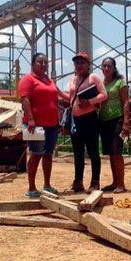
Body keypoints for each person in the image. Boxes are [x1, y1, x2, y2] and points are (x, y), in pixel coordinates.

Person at [18, 52, 68, 198]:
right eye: (40, 62)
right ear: (33, 64)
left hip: (52, 125)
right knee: (36, 154)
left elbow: (61, 95)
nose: (44, 65)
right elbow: (25, 100)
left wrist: (77, 97)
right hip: (36, 125)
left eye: (46, 62)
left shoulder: (49, 80)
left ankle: (47, 185)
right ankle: (32, 188)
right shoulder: (27, 79)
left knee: (47, 155)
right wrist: (31, 119)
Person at [67, 52, 108, 193]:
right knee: (78, 153)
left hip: (90, 119)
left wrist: (89, 101)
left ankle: (95, 182)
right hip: (75, 120)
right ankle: (78, 181)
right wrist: (58, 92)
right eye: (77, 62)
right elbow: (70, 98)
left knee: (93, 152)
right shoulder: (73, 80)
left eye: (82, 62)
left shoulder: (93, 78)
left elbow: (104, 95)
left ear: (88, 65)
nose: (79, 65)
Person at [98, 57, 130, 193]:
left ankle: (121, 184)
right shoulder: (101, 84)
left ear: (114, 68)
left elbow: (126, 102)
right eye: (104, 66)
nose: (106, 68)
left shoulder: (120, 82)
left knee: (117, 153)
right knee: (111, 154)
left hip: (117, 120)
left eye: (109, 66)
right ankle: (114, 182)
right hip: (104, 121)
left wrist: (126, 122)